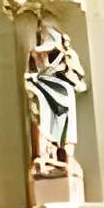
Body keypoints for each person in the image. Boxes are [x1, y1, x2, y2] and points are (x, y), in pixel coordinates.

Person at [25, 14, 86, 174]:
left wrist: (60, 67)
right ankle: (44, 152)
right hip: (43, 94)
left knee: (65, 114)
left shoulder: (66, 54)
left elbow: (78, 80)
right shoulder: (35, 54)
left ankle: (65, 153)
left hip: (62, 94)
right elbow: (31, 74)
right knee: (39, 112)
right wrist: (39, 70)